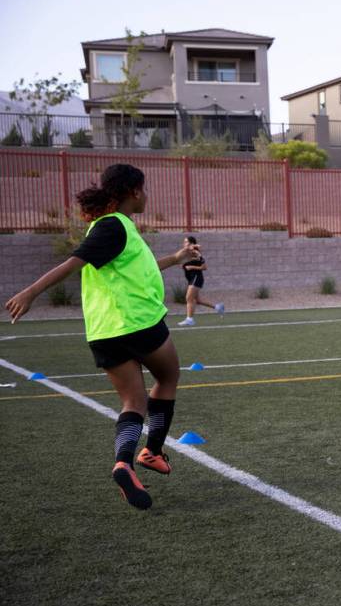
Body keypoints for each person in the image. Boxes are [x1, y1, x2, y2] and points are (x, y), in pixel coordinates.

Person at [4, 164, 201, 510]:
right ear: (135, 192)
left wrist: (177, 257)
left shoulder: (113, 228)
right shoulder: (114, 225)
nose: (147, 195)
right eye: (145, 189)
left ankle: (124, 462)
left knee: (132, 403)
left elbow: (139, 267)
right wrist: (30, 292)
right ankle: (152, 451)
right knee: (168, 376)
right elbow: (73, 262)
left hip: (103, 332)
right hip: (137, 322)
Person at [178, 235, 224, 327]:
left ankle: (189, 319)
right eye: (184, 242)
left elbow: (204, 267)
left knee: (189, 298)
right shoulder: (186, 253)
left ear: (191, 243)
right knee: (197, 300)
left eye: (186, 242)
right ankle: (218, 307)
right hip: (191, 278)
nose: (184, 244)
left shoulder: (195, 253)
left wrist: (192, 267)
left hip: (196, 278)